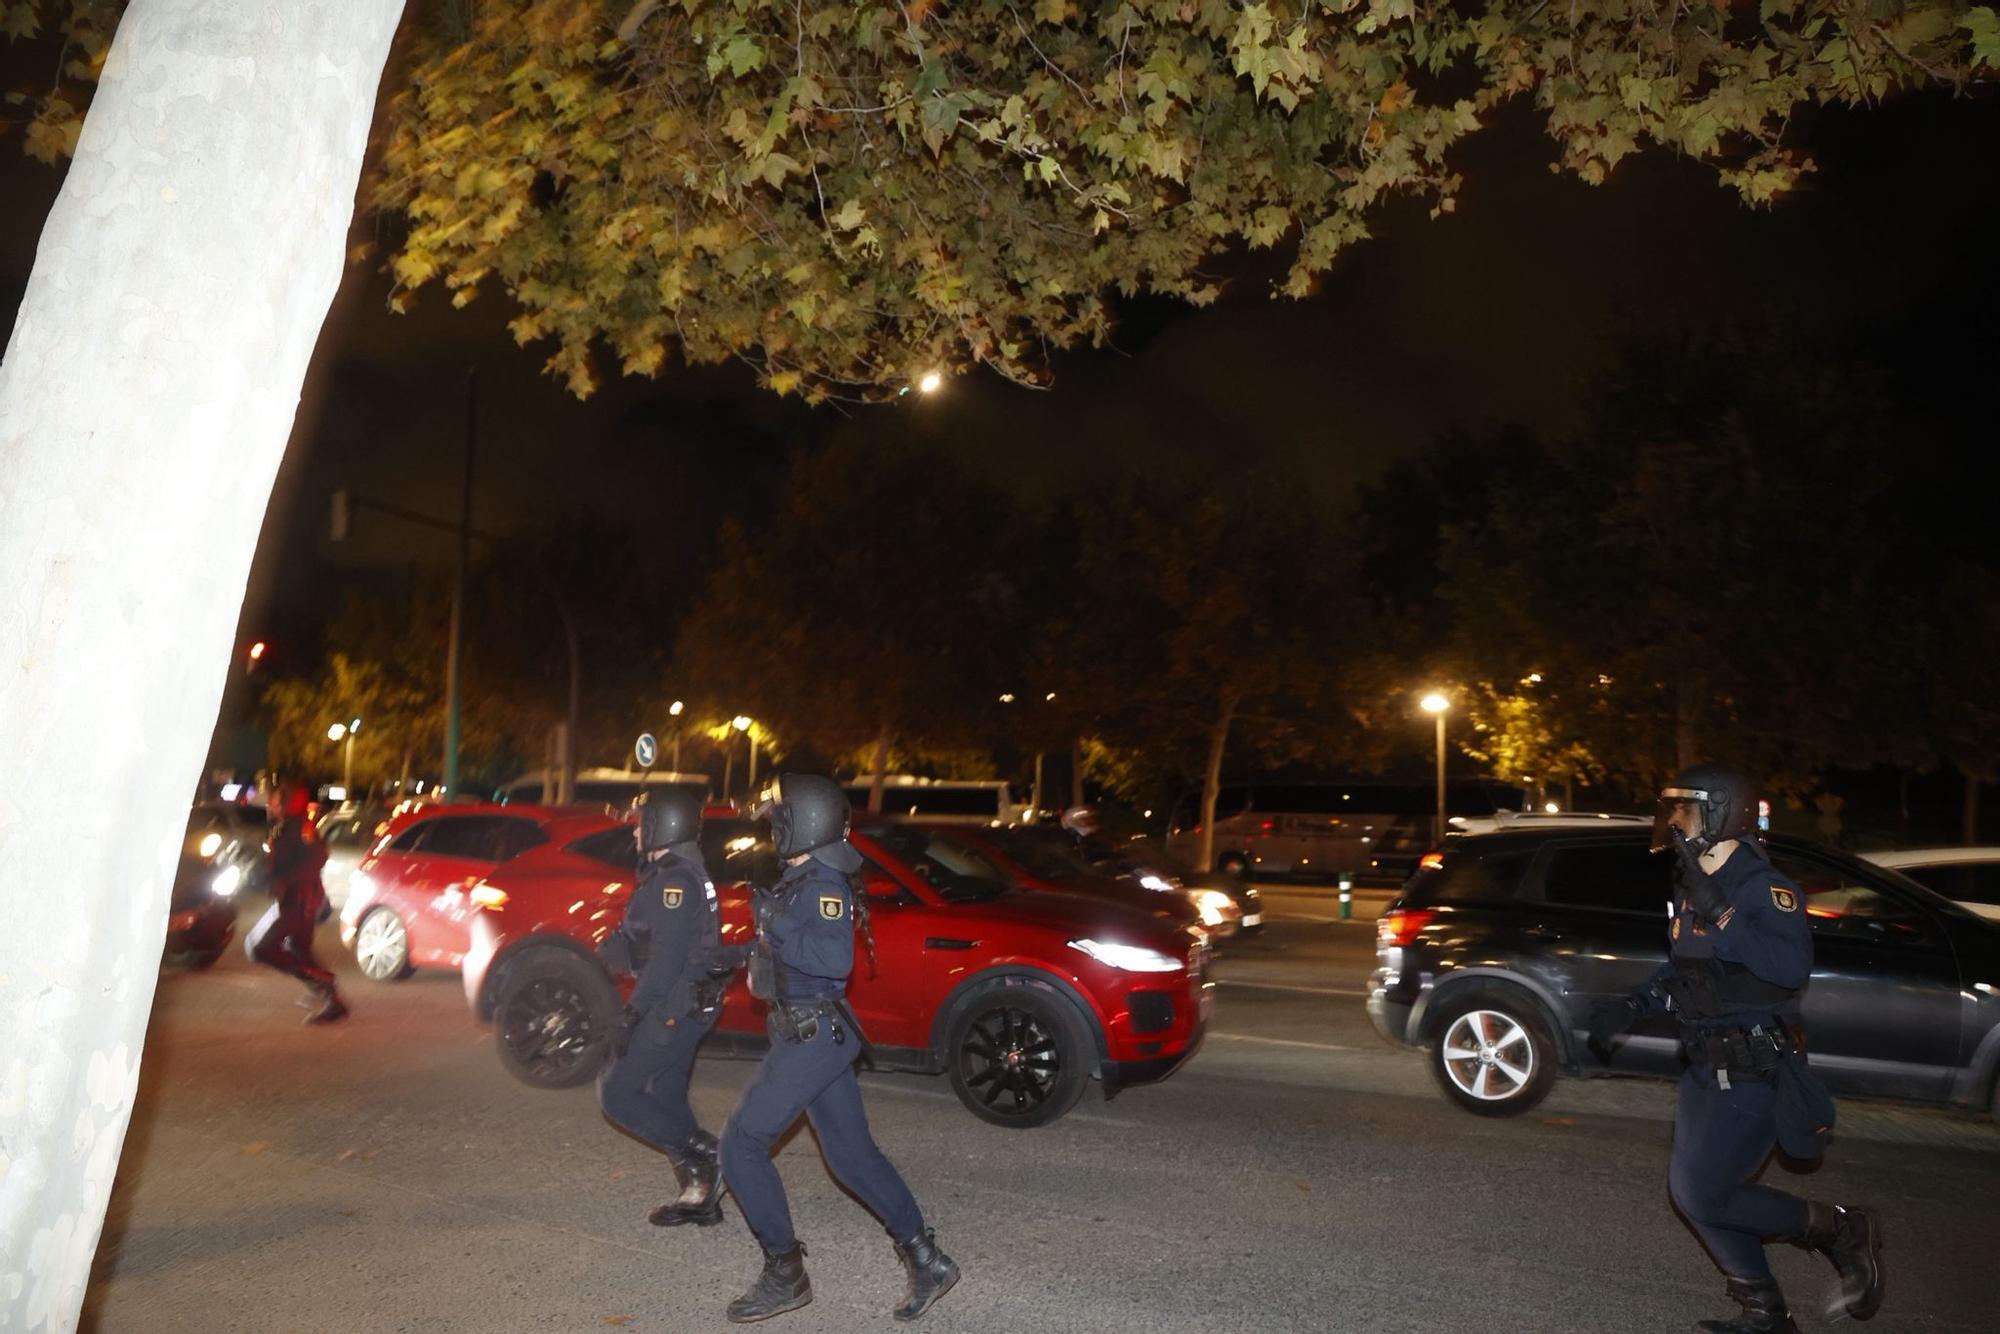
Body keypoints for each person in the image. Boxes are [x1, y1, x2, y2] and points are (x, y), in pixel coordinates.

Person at [1590, 765, 1882, 1333]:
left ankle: (1841, 1228)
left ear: (1724, 813)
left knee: (1705, 1193)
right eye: (1669, 808)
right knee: (1693, 1193)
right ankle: (1765, 1316)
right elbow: (1687, 969)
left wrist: (1721, 910)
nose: (1674, 820)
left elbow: (1787, 968)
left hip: (1756, 1065)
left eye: (1686, 809)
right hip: (1706, 1061)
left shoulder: (1760, 887)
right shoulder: (1692, 877)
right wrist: (1635, 1003)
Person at [717, 773, 958, 1325]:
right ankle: (928, 1260)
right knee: (851, 1157)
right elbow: (781, 953)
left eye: (779, 818)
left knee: (741, 1143)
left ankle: (786, 1273)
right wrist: (726, 956)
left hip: (813, 1038)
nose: (772, 826)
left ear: (802, 823)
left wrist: (772, 919)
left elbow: (834, 962)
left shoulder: (823, 882)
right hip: (813, 1034)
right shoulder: (801, 876)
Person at [596, 788, 731, 1227]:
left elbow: (669, 959)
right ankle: (699, 1196)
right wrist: (626, 950)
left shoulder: (675, 879)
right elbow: (665, 943)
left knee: (618, 1094)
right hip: (685, 1004)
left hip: (671, 1006)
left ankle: (714, 1151)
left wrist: (632, 1014)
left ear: (662, 826)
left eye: (642, 822)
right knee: (667, 1093)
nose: (636, 830)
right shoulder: (677, 873)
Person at [246, 781, 348, 1024]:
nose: (271, 804)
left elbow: (318, 857)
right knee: (298, 951)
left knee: (259, 947)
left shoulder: (301, 826)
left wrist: (286, 881)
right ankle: (333, 1002)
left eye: (276, 800)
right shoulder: (283, 827)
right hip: (294, 898)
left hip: (299, 899)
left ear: (290, 804)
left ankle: (322, 981)